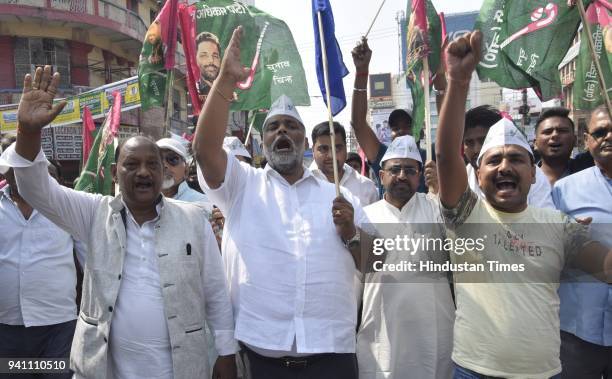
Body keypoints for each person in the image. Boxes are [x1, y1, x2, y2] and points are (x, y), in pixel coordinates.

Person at [4, 65, 238, 379]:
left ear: (161, 173)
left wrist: (226, 351)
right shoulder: (93, 213)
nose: (143, 172)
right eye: (132, 164)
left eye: (152, 165)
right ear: (115, 174)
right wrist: (28, 132)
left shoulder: (194, 218)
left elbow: (215, 291)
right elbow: (36, 188)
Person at [436, 31, 611, 379]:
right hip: (473, 370)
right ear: (478, 172)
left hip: (542, 372)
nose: (504, 167)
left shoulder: (558, 225)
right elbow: (444, 155)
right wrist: (458, 81)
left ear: (533, 174)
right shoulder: (465, 215)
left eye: (516, 159)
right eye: (494, 160)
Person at [192, 26, 364, 379]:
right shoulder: (242, 186)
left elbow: (378, 262)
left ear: (304, 141)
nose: (282, 132)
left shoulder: (340, 196)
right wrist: (224, 82)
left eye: (291, 126)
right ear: (263, 140)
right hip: (261, 361)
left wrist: (351, 234)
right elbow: (205, 152)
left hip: (332, 359)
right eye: (273, 128)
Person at [356, 135, 454, 379]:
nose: (401, 175)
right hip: (381, 334)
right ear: (381, 176)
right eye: (395, 169)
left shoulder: (436, 208)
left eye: (410, 170)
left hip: (433, 333)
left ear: (420, 176)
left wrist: (442, 191)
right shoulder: (364, 217)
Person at [0, 148, 80, 379]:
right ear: (7, 172)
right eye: (18, 169)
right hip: (7, 328)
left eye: (30, 169)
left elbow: (90, 260)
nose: (24, 175)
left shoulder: (65, 205)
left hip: (57, 326)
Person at [552, 105, 612, 378]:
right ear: (587, 140)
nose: (608, 137)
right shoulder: (564, 190)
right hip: (577, 331)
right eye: (600, 132)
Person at [351, 38, 441, 196]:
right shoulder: (382, 155)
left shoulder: (429, 156)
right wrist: (361, 72)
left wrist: (441, 77)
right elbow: (358, 124)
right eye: (395, 128)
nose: (401, 131)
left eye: (408, 126)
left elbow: (450, 136)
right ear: (382, 174)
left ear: (420, 130)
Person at [310, 121, 378, 206]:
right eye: (323, 149)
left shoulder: (366, 187)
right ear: (313, 150)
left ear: (346, 149)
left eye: (337, 148)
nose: (331, 156)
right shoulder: (301, 184)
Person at [534, 107, 593, 185]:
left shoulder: (590, 172)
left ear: (574, 140)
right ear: (535, 143)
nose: (555, 135)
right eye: (547, 132)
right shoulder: (523, 179)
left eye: (562, 131)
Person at [157, 137, 212, 206]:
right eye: (158, 160)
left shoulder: (202, 203)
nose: (164, 165)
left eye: (172, 159)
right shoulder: (143, 203)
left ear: (186, 170)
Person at [196, 31, 222, 101]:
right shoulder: (193, 88)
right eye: (204, 55)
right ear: (195, 59)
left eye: (215, 56)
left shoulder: (226, 88)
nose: (211, 60)